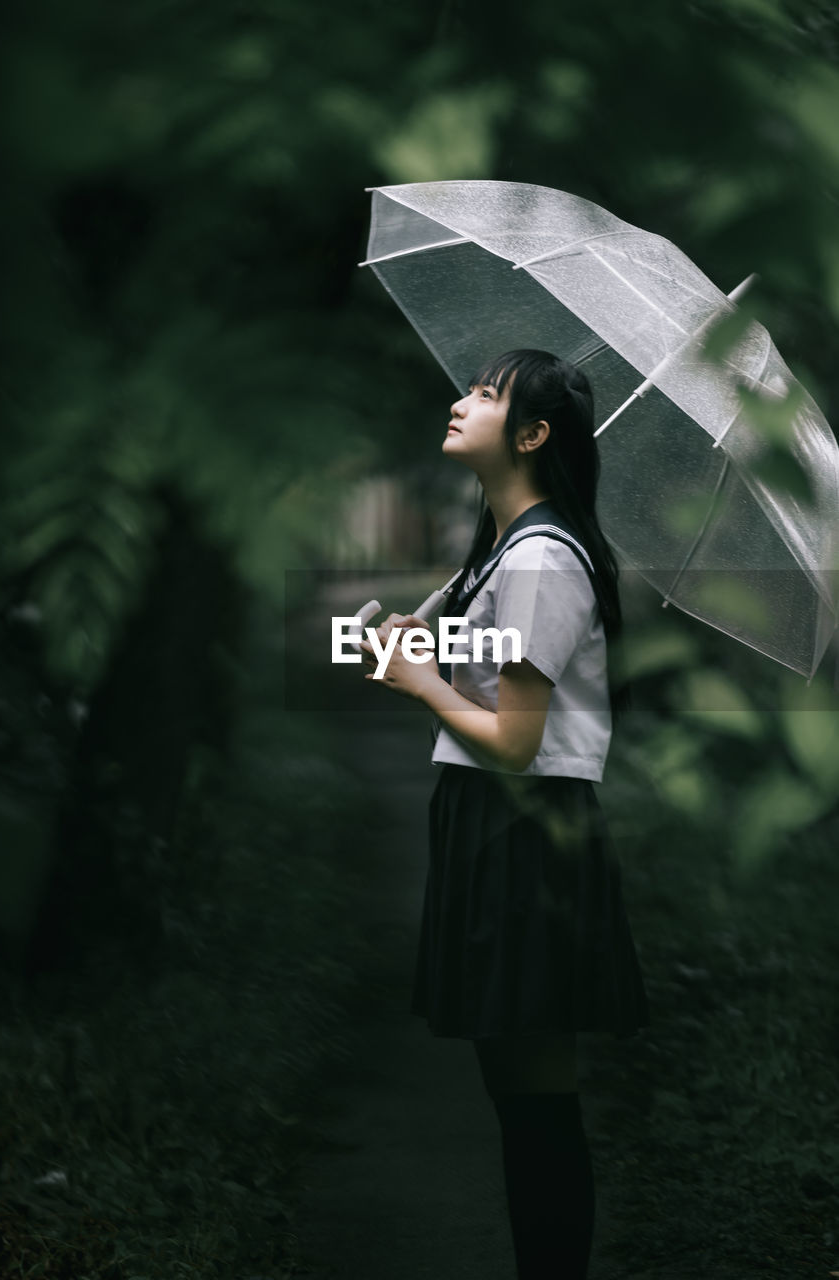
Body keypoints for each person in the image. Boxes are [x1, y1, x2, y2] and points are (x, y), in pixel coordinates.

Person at [360, 348, 648, 1280]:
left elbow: (516, 740)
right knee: (519, 1093)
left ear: (531, 435)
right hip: (500, 822)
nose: (458, 401)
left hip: (522, 823)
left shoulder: (539, 562)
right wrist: (415, 642)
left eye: (483, 396)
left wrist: (417, 681)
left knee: (533, 1100)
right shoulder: (510, 554)